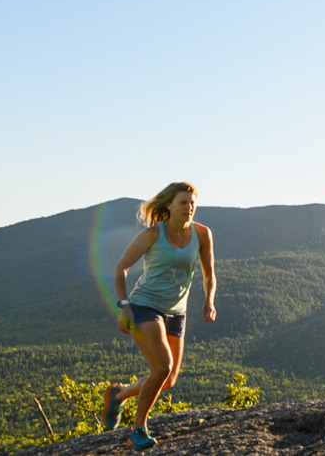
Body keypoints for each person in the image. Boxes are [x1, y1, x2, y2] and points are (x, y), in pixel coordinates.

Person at [100, 182, 217, 450]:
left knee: (168, 379)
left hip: (177, 311)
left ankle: (118, 395)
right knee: (161, 367)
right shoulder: (153, 235)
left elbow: (210, 274)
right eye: (183, 203)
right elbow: (121, 269)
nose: (189, 208)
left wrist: (209, 300)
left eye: (192, 203)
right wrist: (124, 306)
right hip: (145, 306)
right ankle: (138, 429)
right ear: (169, 206)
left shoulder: (202, 234)